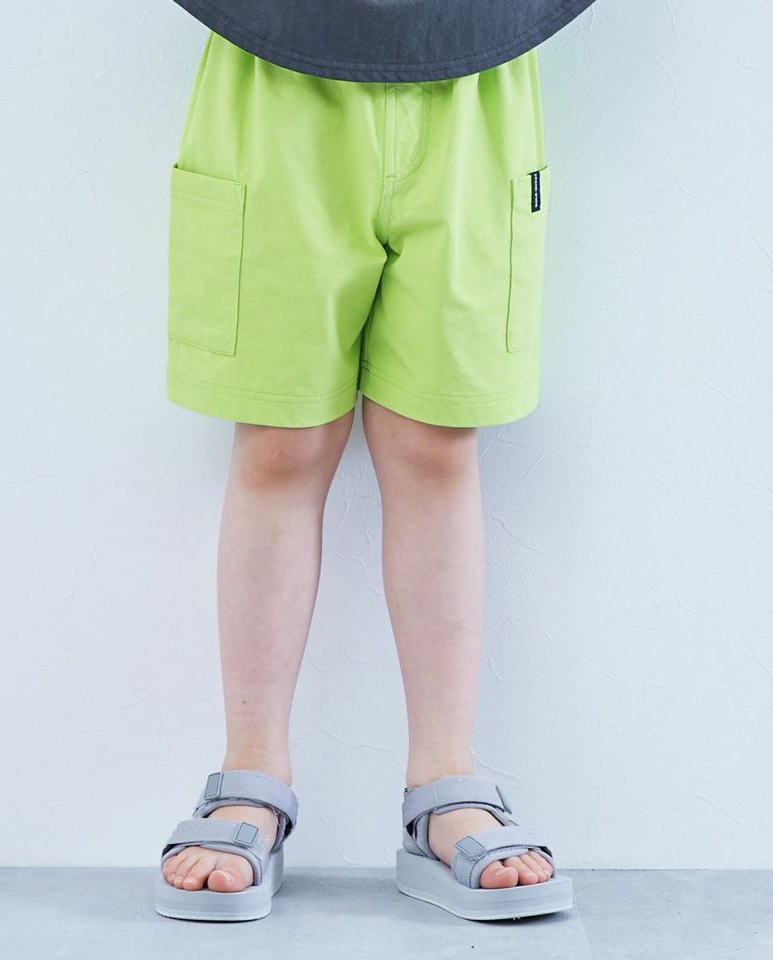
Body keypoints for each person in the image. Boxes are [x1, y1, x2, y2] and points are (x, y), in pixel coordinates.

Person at [154, 0, 596, 923]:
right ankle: (250, 774)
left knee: (437, 439)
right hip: (273, 68)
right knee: (279, 438)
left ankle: (446, 779)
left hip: (473, 70)